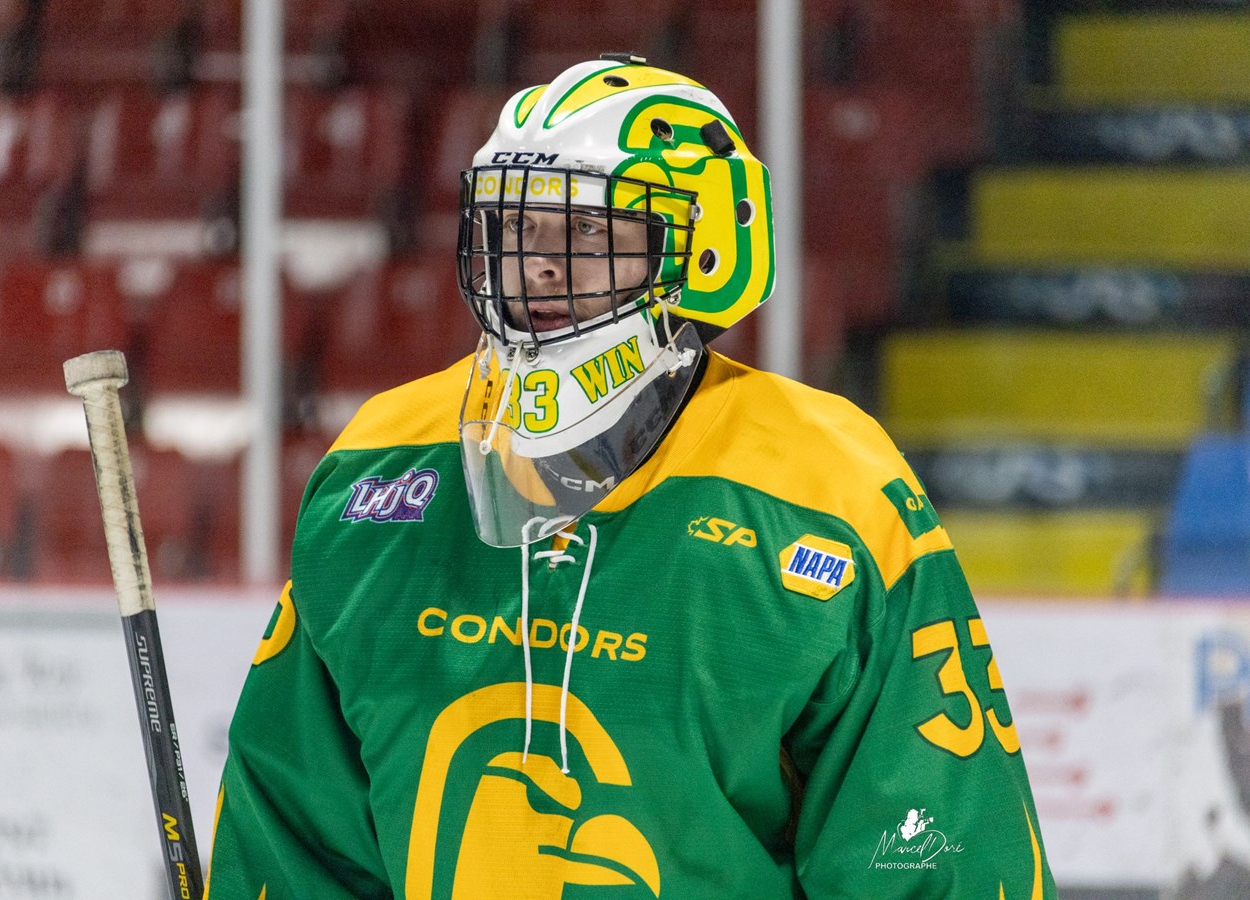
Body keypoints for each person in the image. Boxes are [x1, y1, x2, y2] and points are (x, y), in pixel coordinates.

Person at [206, 54, 1056, 899]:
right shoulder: (379, 462)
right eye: (519, 227)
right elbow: (293, 837)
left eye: (582, 231)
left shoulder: (825, 486)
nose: (537, 263)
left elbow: (929, 857)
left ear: (704, 244)